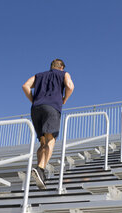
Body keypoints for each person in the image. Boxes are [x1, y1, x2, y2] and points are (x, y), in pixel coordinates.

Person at [22, 59, 74, 189]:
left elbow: (25, 86)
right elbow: (70, 86)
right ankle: (40, 169)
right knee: (50, 140)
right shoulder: (64, 74)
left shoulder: (39, 75)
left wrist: (33, 100)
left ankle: (39, 169)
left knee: (43, 141)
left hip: (36, 109)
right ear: (61, 67)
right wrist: (64, 99)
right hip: (52, 108)